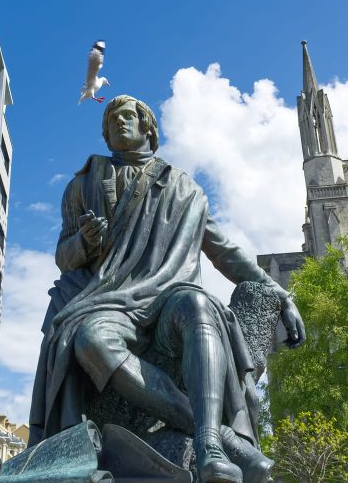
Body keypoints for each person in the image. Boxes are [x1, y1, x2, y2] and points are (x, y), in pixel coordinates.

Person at [29, 95, 304, 483]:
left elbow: (224, 250)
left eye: (128, 116)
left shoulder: (183, 188)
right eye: (112, 120)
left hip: (167, 297)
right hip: (108, 302)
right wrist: (84, 244)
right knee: (91, 339)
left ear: (147, 128)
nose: (119, 123)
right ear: (105, 134)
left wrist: (281, 293)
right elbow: (64, 256)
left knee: (199, 304)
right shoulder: (81, 185)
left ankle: (209, 447)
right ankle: (215, 431)